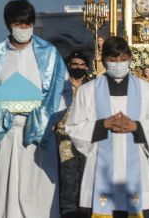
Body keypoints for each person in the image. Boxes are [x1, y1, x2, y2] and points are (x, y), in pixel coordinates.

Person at [0, 0, 68, 218]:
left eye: (28, 25)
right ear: (9, 25)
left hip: (38, 133)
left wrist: (46, 117)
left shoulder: (50, 54)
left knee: (39, 196)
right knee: (6, 195)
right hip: (5, 132)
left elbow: (64, 91)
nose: (24, 30)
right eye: (19, 25)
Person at [65, 36, 149, 218]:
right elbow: (74, 127)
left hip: (137, 167)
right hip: (99, 166)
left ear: (129, 58)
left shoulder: (147, 90)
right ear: (104, 60)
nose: (118, 64)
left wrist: (136, 126)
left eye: (122, 59)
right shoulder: (88, 91)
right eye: (113, 59)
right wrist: (103, 124)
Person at [56, 50, 93, 218]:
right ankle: (68, 211)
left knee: (87, 178)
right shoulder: (61, 86)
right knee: (68, 178)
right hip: (66, 139)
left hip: (87, 139)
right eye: (74, 64)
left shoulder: (92, 87)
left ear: (86, 66)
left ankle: (85, 211)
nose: (78, 67)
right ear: (69, 66)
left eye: (81, 64)